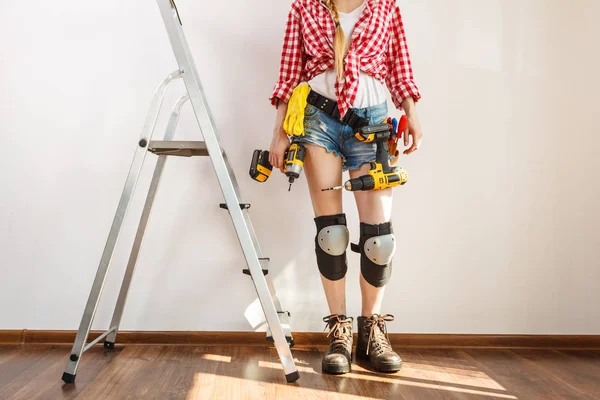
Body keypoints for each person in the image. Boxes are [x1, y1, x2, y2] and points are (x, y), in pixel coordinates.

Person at [268, 0, 423, 374]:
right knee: (332, 233)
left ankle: (372, 330)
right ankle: (340, 332)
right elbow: (290, 76)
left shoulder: (385, 6)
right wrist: (279, 132)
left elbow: (401, 68)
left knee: (379, 239)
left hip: (372, 124)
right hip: (318, 121)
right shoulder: (304, 6)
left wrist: (413, 117)